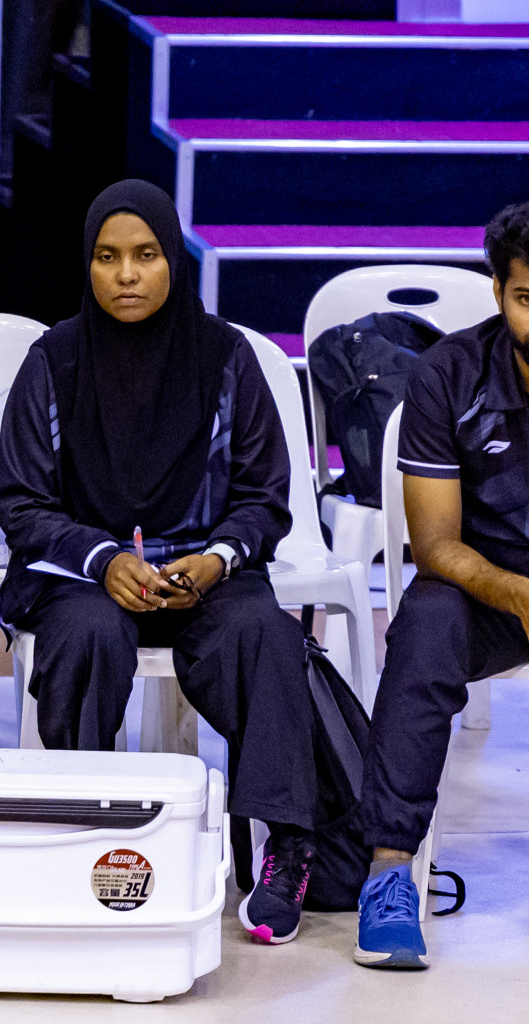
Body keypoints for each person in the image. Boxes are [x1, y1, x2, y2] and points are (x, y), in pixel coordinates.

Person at [0, 179, 322, 945]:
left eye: (145, 255)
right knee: (86, 637)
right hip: (85, 579)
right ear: (88, 265)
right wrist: (104, 558)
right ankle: (81, 830)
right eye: (107, 258)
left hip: (206, 575)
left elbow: (265, 496)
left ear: (174, 258)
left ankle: (285, 847)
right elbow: (22, 503)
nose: (127, 275)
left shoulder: (225, 357)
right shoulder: (56, 360)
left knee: (265, 635)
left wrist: (214, 559)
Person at [354, 200, 529, 970]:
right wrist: (520, 593)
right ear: (498, 291)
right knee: (425, 625)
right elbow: (434, 546)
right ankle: (390, 872)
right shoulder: (449, 374)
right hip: (486, 592)